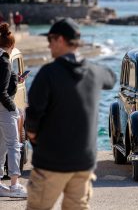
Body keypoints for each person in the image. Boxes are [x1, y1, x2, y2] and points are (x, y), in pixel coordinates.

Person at [25, 18, 116, 209]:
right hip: (83, 162)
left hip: (51, 162)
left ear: (60, 40)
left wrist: (32, 134)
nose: (48, 46)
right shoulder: (94, 72)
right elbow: (112, 78)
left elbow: (33, 114)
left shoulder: (48, 73)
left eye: (50, 40)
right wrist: (88, 64)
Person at [0, 22, 27, 198]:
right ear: (12, 45)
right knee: (13, 145)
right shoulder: (4, 63)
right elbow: (1, 92)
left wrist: (14, 80)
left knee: (1, 146)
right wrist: (13, 108)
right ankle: (15, 185)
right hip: (3, 108)